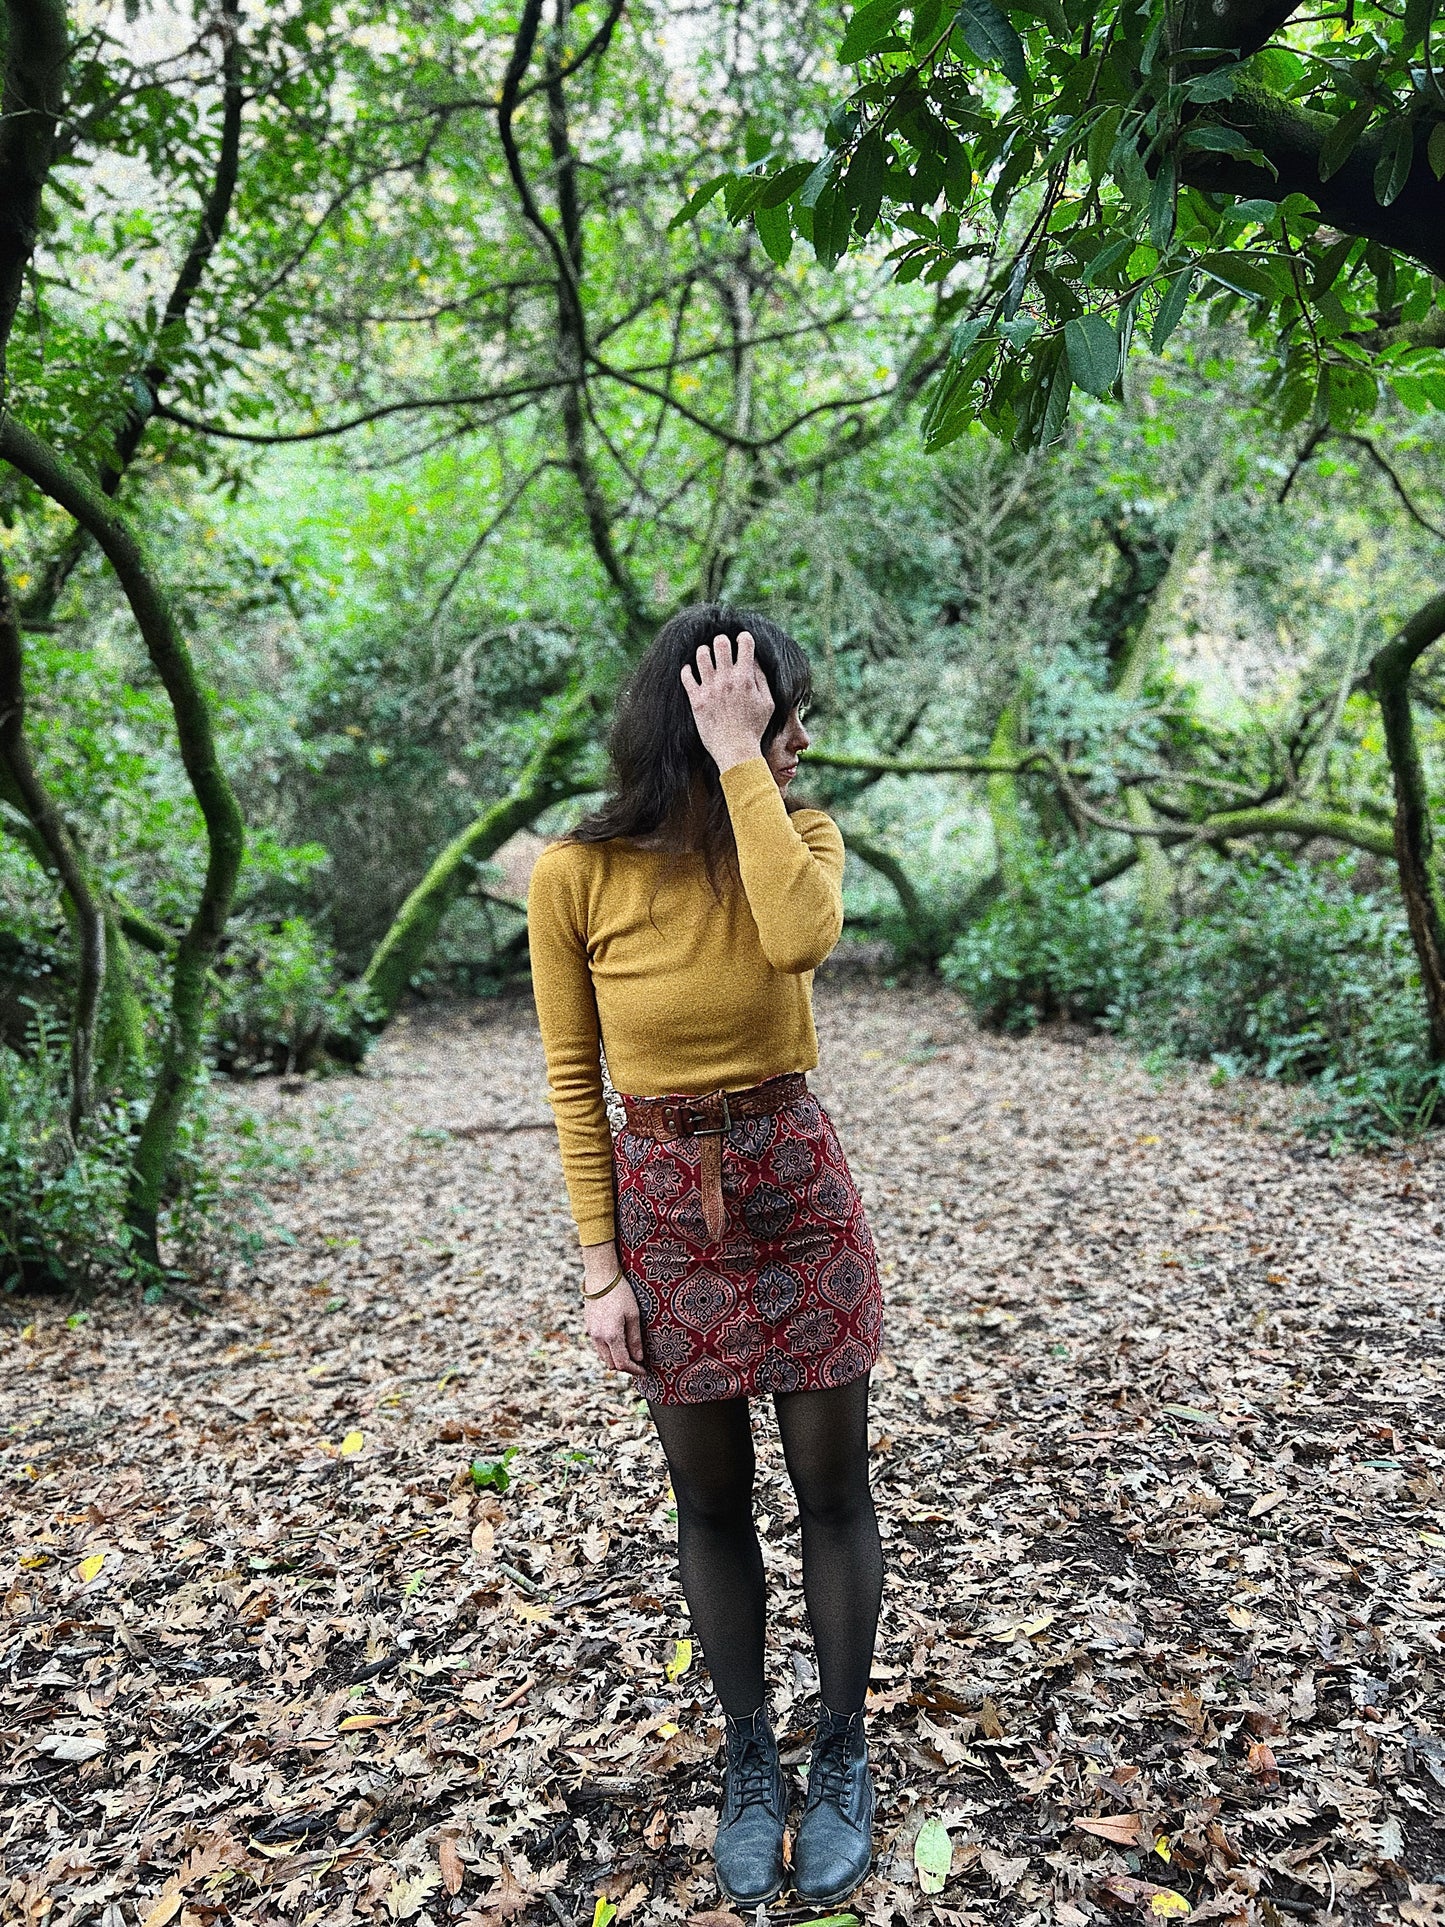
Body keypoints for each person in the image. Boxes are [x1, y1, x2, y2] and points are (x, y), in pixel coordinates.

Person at [526, 605, 887, 1908]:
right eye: (773, 712)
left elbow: (797, 941)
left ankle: (839, 1748)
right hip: (663, 1206)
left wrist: (746, 764)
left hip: (793, 1185)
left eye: (787, 718)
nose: (800, 738)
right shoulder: (577, 874)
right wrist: (597, 1267)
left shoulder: (798, 835)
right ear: (694, 716)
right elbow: (575, 1080)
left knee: (828, 1487)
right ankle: (750, 1754)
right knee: (708, 1497)